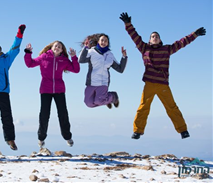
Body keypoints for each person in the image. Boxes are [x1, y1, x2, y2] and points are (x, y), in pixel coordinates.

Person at [119, 12, 206, 140]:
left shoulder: (167, 49)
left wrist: (195, 34)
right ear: (149, 40)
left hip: (163, 84)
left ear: (160, 40)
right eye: (152, 36)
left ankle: (183, 130)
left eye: (157, 36)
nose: (154, 37)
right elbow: (134, 36)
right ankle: (137, 131)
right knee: (143, 107)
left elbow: (182, 42)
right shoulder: (144, 48)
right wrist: (128, 24)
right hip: (149, 84)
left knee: (171, 107)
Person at [24, 41, 80, 148]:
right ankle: (41, 138)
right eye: (56, 46)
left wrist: (74, 57)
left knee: (63, 114)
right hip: (45, 90)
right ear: (51, 47)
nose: (57, 48)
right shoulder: (44, 57)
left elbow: (76, 69)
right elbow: (30, 64)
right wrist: (28, 53)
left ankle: (67, 137)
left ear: (62, 50)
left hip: (59, 90)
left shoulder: (64, 60)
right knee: (44, 115)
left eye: (59, 47)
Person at [78, 33, 127, 109]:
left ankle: (113, 97)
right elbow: (81, 60)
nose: (103, 42)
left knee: (99, 101)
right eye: (102, 40)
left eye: (106, 41)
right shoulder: (92, 51)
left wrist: (124, 57)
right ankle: (107, 99)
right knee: (88, 103)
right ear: (98, 41)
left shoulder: (110, 55)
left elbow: (120, 69)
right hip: (91, 82)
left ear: (108, 43)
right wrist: (85, 47)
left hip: (103, 83)